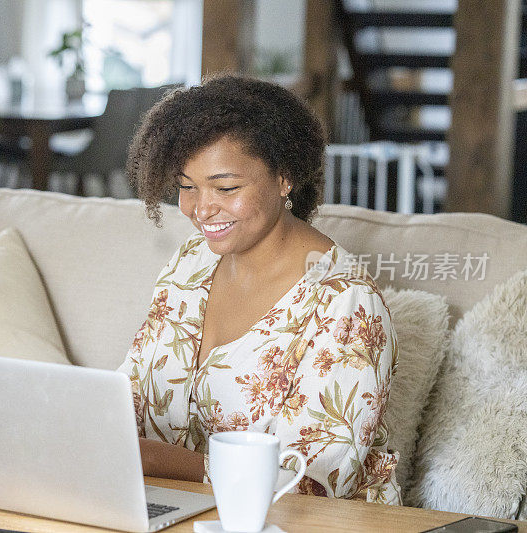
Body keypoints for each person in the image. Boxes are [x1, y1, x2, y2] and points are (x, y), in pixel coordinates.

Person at [117, 74, 400, 505]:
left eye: (226, 187)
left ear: (284, 178)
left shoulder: (345, 304)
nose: (201, 208)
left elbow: (312, 482)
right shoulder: (190, 264)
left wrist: (155, 460)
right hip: (172, 509)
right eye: (186, 187)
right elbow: (129, 392)